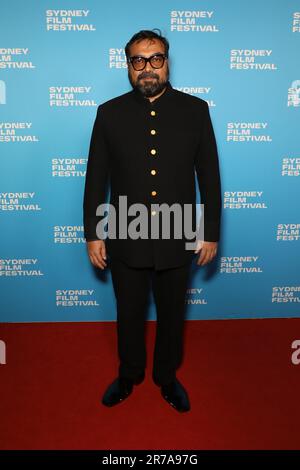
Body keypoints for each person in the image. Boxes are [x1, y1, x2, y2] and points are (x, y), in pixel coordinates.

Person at [83, 29, 222, 412]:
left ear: (167, 61)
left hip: (178, 234)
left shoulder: (196, 110)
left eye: (155, 58)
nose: (148, 68)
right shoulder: (108, 113)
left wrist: (209, 233)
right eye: (138, 60)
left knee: (173, 314)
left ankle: (166, 376)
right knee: (128, 312)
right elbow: (96, 177)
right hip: (126, 234)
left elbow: (209, 176)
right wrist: (94, 234)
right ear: (128, 65)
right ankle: (128, 374)